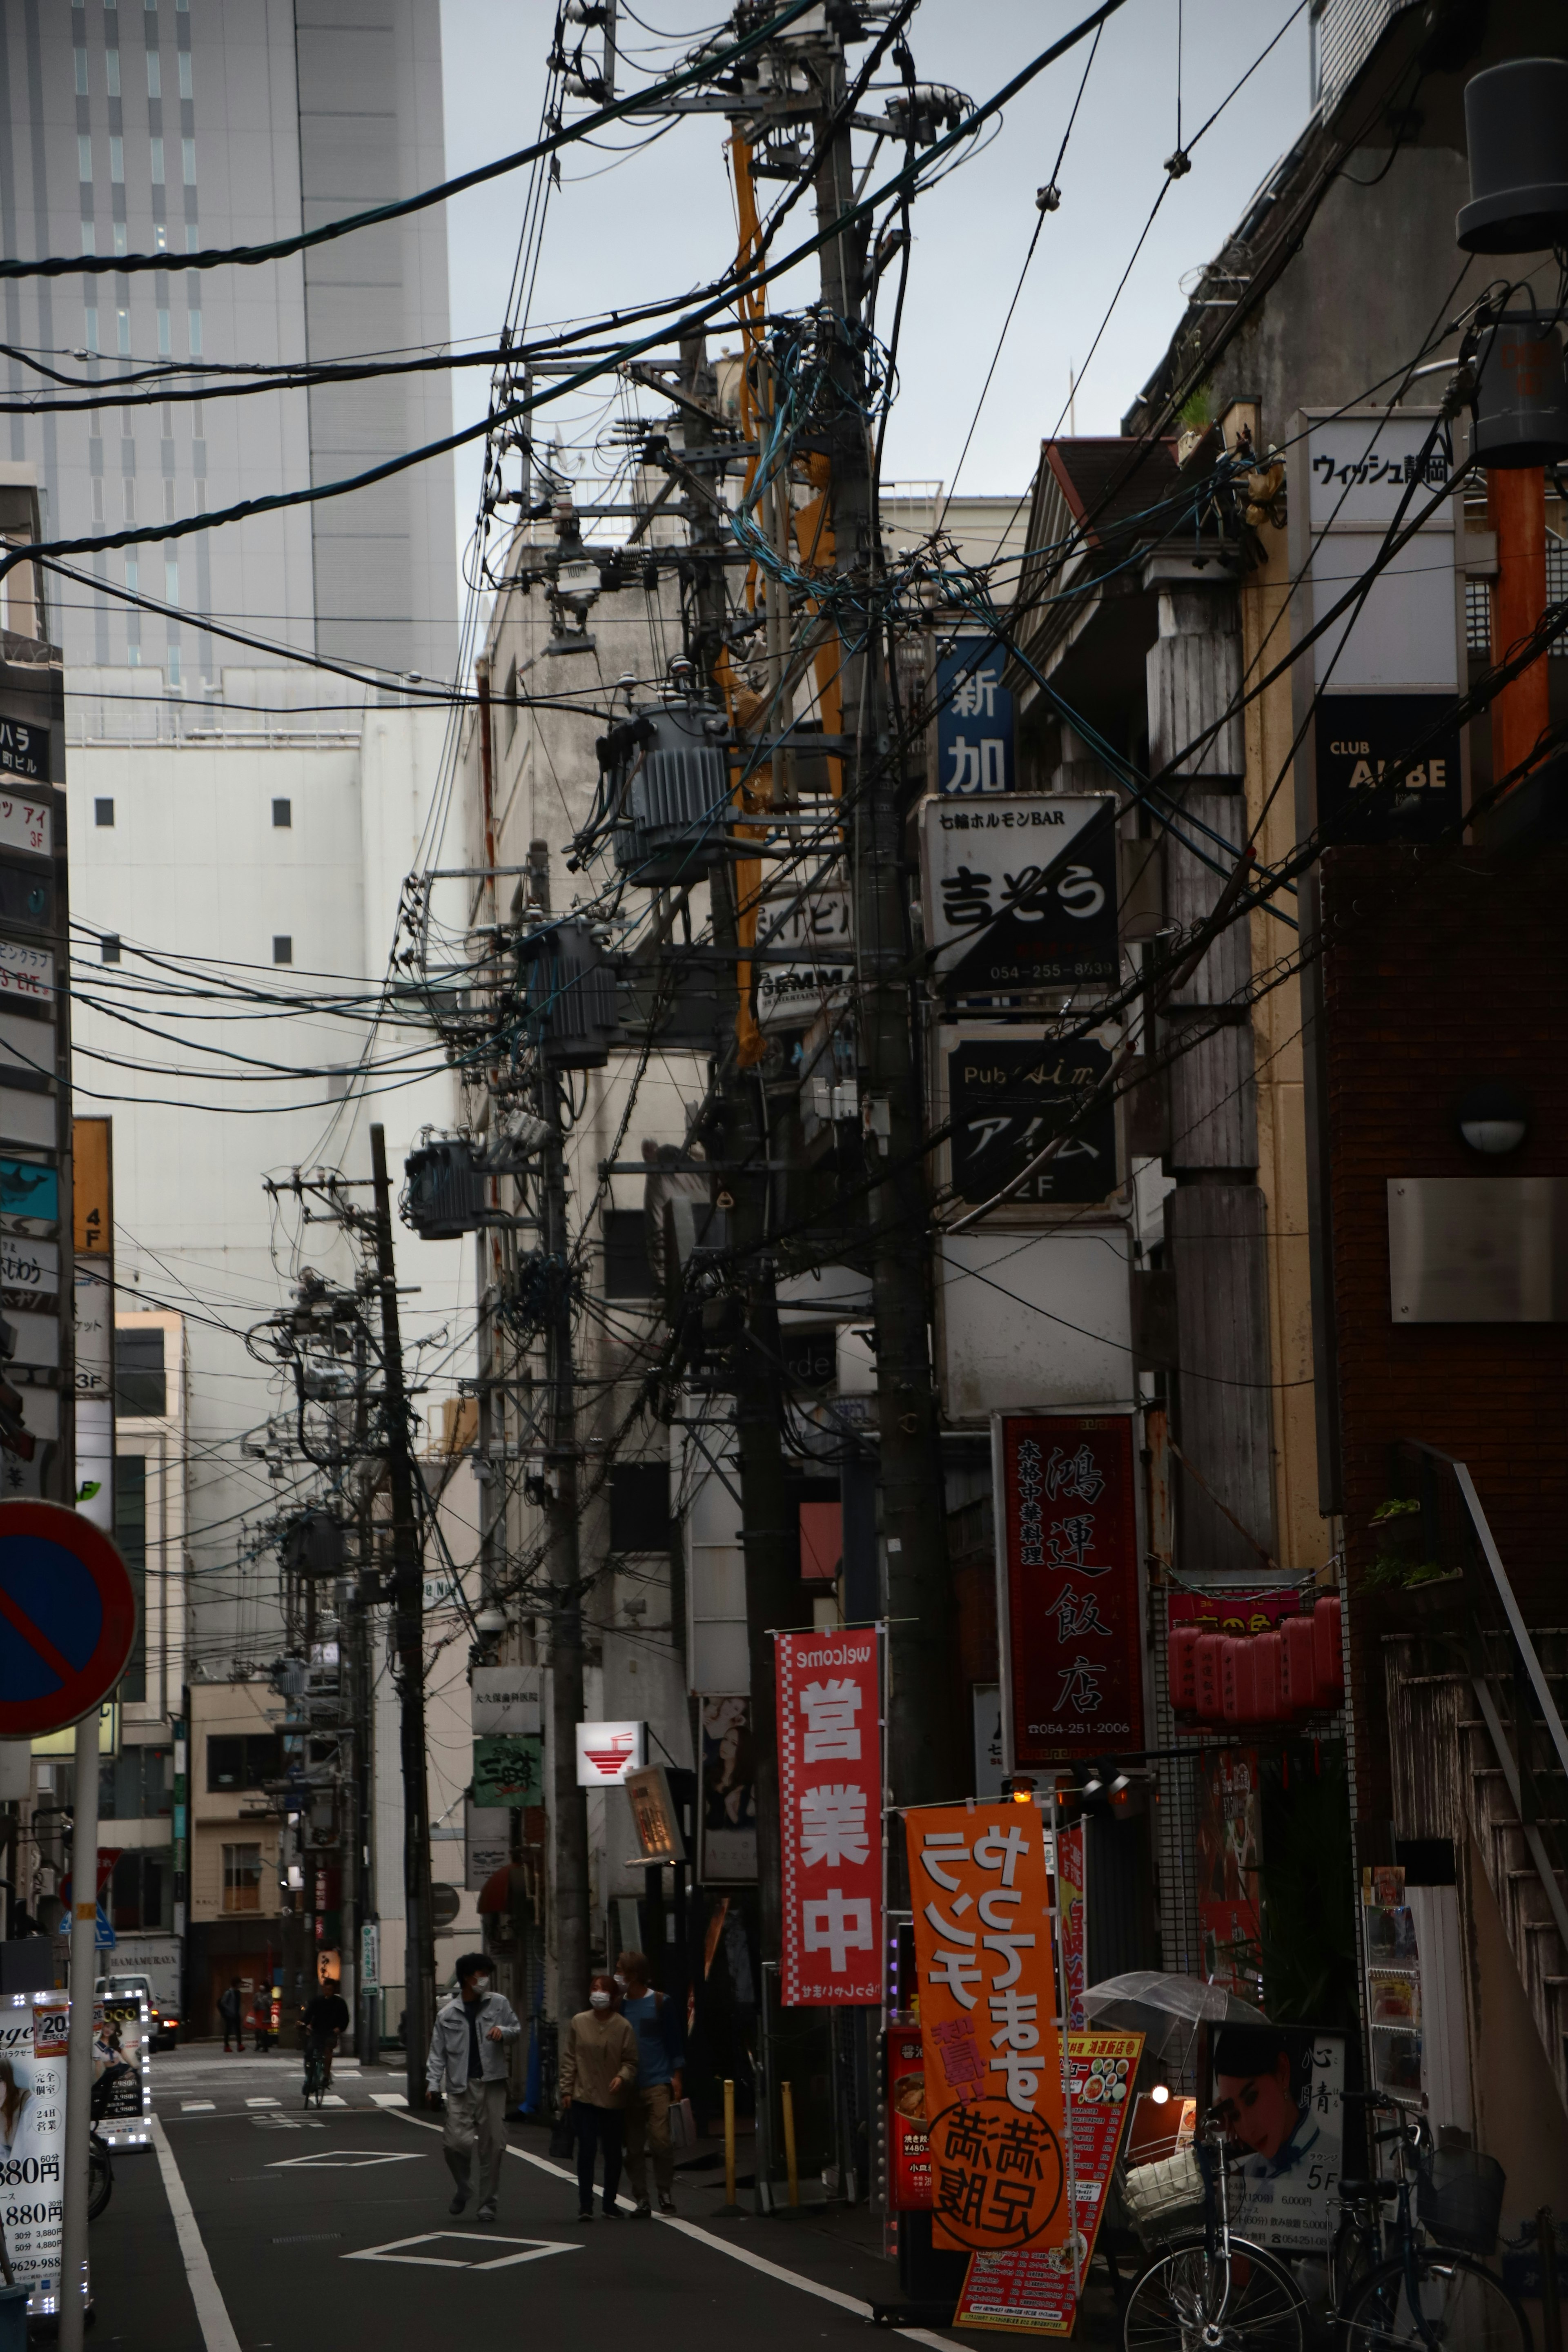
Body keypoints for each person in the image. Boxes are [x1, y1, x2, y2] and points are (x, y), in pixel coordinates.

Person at [425, 1953, 521, 2224]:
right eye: (482, 1974)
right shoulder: (447, 2014)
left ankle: (488, 2205)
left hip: (493, 2084)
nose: (485, 1979)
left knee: (493, 2147)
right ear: (468, 1977)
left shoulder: (499, 2004)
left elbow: (517, 2029)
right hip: (460, 2086)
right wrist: (432, 2085)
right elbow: (437, 2054)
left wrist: (504, 2031)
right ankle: (465, 2187)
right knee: (455, 2145)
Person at [559, 1972, 637, 2222]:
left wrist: (622, 2077)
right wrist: (567, 2089)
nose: (598, 1993)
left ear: (613, 1997)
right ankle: (585, 2204)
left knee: (613, 2152)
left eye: (603, 1989)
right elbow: (570, 2057)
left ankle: (610, 2203)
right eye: (594, 1988)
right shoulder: (579, 2022)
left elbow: (631, 2061)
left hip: (613, 2098)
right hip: (584, 2096)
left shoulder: (623, 2026)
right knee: (587, 2150)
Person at [615, 1950, 685, 2217]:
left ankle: (664, 2189)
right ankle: (642, 2198)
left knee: (661, 2141)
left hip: (658, 2081)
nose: (618, 1974)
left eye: (621, 1970)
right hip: (629, 2086)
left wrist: (677, 2077)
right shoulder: (620, 2005)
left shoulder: (661, 2002)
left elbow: (674, 2042)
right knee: (633, 2147)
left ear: (634, 1975)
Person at [1212, 2023, 1318, 2180]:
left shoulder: (1331, 2152)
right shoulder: (1252, 2170)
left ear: (1282, 2072)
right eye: (1235, 2115)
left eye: (1252, 2099)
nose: (1248, 2131)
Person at [303, 1982, 350, 2086]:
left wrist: (339, 2028)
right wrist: (304, 2023)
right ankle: (309, 2076)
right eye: (325, 1989)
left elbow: (345, 2019)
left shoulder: (339, 2002)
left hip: (331, 2032)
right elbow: (308, 2015)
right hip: (317, 2031)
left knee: (327, 2050)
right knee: (309, 2052)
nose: (327, 1992)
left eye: (330, 1989)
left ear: (334, 1991)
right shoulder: (317, 2001)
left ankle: (326, 2075)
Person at [217, 1978, 243, 2053]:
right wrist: (230, 2010)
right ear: (236, 1984)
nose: (240, 1985)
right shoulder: (228, 1993)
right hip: (230, 2015)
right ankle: (227, 2046)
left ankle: (240, 2045)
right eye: (239, 1984)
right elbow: (223, 2003)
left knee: (238, 2030)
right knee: (228, 2030)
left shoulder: (238, 1992)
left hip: (236, 2014)